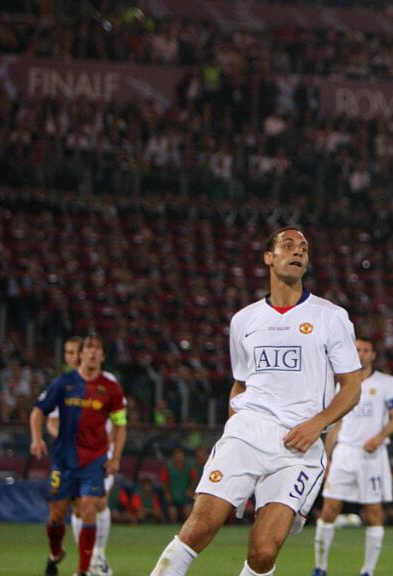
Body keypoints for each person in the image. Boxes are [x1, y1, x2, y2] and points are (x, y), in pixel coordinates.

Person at [150, 227, 363, 576]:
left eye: (304, 249)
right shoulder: (244, 320)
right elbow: (240, 383)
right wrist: (234, 424)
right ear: (268, 256)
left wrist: (316, 424)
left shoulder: (331, 316)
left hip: (299, 444)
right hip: (247, 433)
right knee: (201, 525)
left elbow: (352, 387)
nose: (298, 252)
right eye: (289, 245)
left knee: (264, 551)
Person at [30, 335, 127, 576]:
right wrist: (37, 438)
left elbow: (120, 423)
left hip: (95, 460)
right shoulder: (64, 383)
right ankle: (55, 553)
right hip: (64, 460)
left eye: (98, 349)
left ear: (103, 356)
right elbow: (39, 411)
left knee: (89, 506)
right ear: (79, 355)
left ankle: (86, 568)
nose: (92, 354)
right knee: (56, 515)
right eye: (88, 349)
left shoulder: (111, 387)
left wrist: (115, 457)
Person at [313, 337, 393, 576]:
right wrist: (327, 457)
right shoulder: (341, 384)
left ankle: (368, 570)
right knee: (329, 509)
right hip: (344, 452)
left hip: (371, 455)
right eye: (357, 350)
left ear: (373, 355)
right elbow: (335, 422)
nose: (361, 354)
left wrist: (379, 436)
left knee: (373, 513)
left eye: (366, 350)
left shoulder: (387, 382)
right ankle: (320, 567)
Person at [160, 448, 198, 523]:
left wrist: (190, 489)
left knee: (188, 511)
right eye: (177, 456)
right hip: (173, 496)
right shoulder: (168, 468)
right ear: (173, 458)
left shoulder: (189, 468)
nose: (179, 459)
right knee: (172, 513)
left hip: (185, 496)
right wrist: (167, 493)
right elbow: (164, 482)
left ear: (184, 458)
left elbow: (195, 480)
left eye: (181, 456)